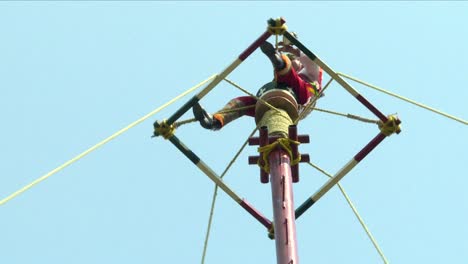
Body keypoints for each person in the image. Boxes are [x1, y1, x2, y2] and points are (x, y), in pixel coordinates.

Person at [193, 39, 323, 130]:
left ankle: (278, 61)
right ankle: (214, 121)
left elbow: (313, 61)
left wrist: (293, 51)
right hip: (274, 96)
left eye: (294, 61)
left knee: (287, 74)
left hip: (300, 98)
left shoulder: (310, 74)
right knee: (242, 103)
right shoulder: (281, 80)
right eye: (290, 59)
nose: (294, 62)